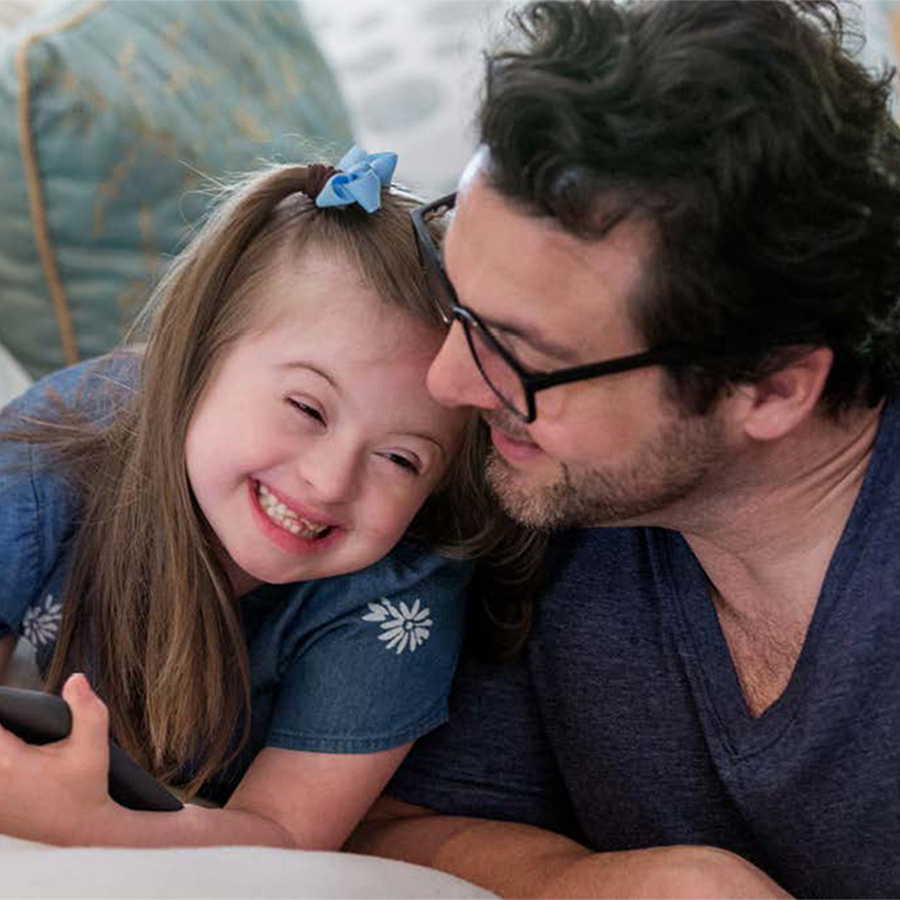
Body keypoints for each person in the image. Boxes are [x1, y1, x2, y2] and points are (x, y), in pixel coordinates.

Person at [346, 2, 900, 898]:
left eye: (524, 355)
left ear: (770, 386)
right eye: (460, 301)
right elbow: (375, 828)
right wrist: (605, 883)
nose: (450, 384)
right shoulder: (546, 513)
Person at [0, 148, 534, 848]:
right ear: (196, 355)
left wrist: (91, 827)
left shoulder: (398, 594)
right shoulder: (65, 436)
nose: (330, 482)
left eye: (402, 458)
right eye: (307, 409)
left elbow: (283, 837)